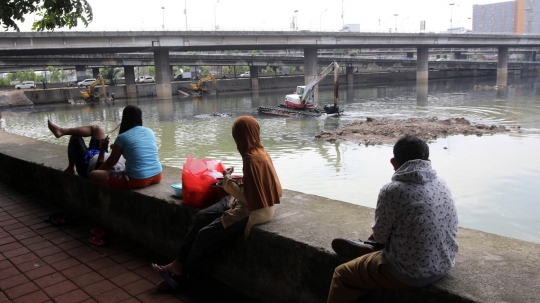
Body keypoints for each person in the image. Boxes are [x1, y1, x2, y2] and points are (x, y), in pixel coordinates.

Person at [151, 116, 282, 290]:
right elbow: (256, 186)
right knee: (202, 216)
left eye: (235, 134)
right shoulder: (257, 152)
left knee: (206, 235)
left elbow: (250, 198)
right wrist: (232, 180)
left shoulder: (253, 158)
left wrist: (227, 180)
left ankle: (184, 278)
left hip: (256, 209)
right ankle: (178, 263)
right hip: (248, 201)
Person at [327, 135, 459, 303]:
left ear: (394, 162)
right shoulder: (441, 183)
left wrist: (378, 237)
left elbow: (381, 236)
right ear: (428, 161)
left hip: (409, 273)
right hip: (445, 264)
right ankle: (370, 252)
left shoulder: (392, 190)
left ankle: (370, 253)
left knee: (342, 274)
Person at [89, 105, 162, 190]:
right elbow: (136, 146)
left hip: (138, 179)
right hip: (157, 176)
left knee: (93, 175)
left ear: (125, 119)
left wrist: (99, 172)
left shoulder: (122, 137)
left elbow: (110, 163)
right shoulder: (150, 132)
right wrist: (115, 146)